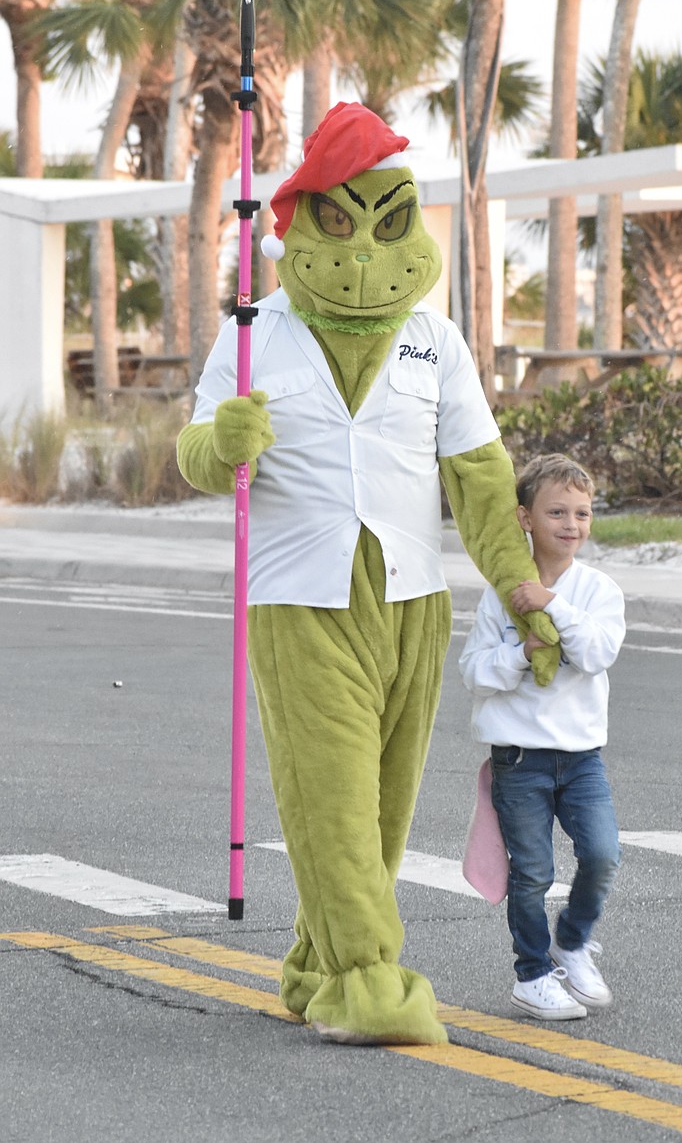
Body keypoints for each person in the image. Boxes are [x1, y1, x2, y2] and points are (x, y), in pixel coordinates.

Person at [176, 103, 561, 1046]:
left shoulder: (438, 339)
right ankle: (365, 979)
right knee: (333, 797)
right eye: (339, 227)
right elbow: (193, 451)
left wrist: (521, 594)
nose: (362, 255)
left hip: (412, 599)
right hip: (300, 596)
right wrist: (221, 442)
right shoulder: (252, 331)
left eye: (387, 225)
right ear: (299, 227)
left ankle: (314, 959)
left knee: (380, 809)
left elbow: (478, 477)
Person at [459, 453, 626, 1021]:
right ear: (525, 518)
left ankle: (572, 941)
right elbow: (473, 671)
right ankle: (531, 973)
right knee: (531, 873)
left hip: (582, 760)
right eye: (556, 511)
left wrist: (553, 606)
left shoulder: (598, 590)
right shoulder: (499, 595)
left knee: (603, 854)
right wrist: (520, 655)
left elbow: (599, 652)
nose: (571, 525)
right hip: (520, 759)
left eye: (582, 513)